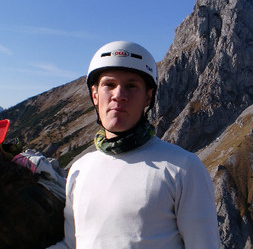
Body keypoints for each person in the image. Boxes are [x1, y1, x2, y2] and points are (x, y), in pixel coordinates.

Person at [49, 41, 219, 248]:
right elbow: (71, 244)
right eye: (109, 85)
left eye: (131, 86)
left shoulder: (183, 168)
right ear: (95, 95)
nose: (119, 95)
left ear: (148, 97)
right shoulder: (79, 168)